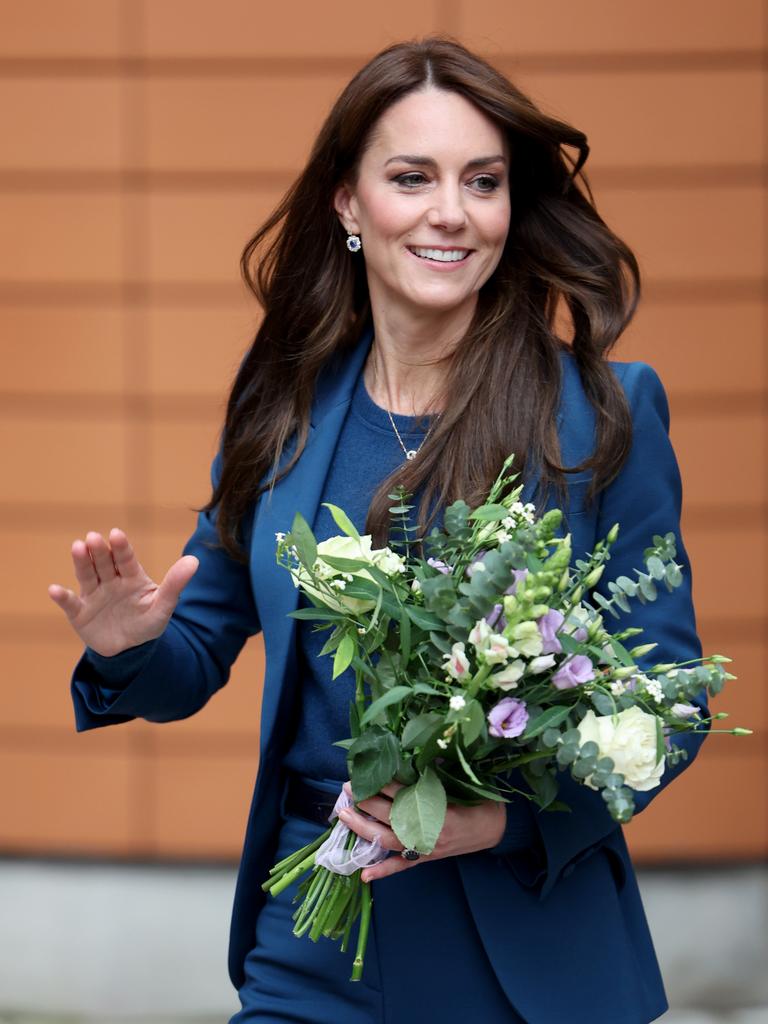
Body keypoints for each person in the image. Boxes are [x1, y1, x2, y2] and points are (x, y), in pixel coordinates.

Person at [48, 37, 707, 1024]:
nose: (451, 210)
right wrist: (135, 648)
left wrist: (506, 818)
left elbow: (669, 703)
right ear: (349, 205)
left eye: (482, 182)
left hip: (525, 962)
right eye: (413, 177)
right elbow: (199, 646)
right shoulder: (282, 404)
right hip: (312, 948)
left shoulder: (603, 413)